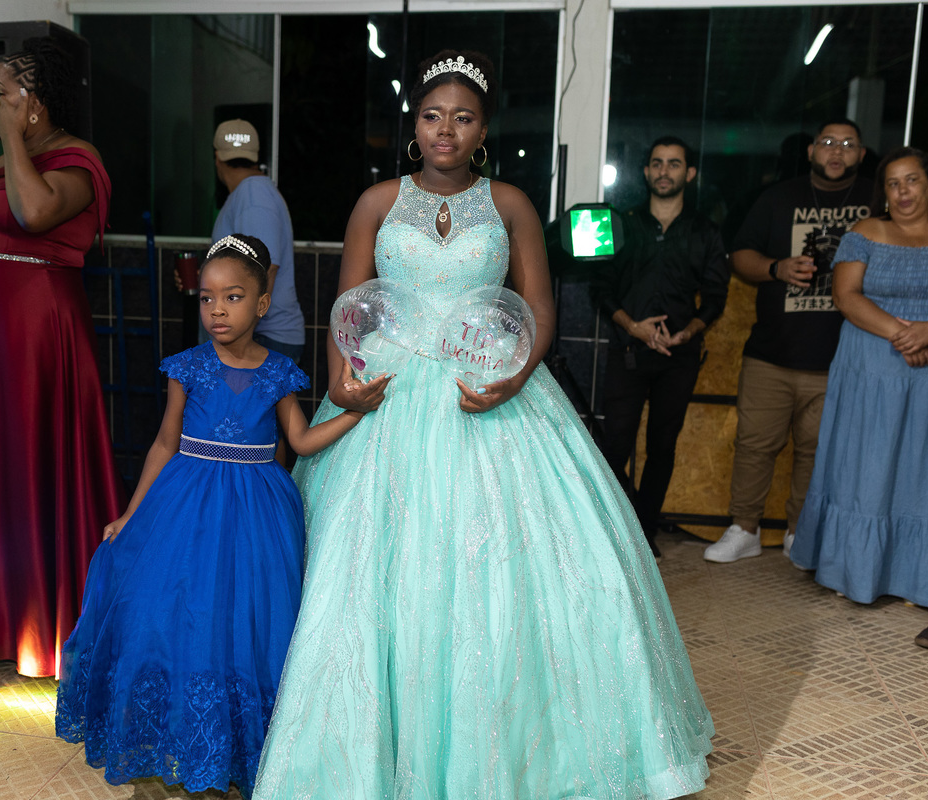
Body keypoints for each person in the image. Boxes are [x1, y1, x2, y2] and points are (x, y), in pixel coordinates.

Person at [251, 50, 712, 799]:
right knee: (367, 573)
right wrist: (342, 378)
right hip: (389, 389)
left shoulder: (511, 204)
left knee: (516, 568)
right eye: (432, 116)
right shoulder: (375, 202)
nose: (446, 130)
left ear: (484, 130)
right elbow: (348, 307)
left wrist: (515, 378)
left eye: (462, 118)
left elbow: (540, 309)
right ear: (415, 126)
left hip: (487, 381)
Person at [54, 234, 373, 797]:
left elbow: (300, 441)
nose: (217, 310)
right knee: (180, 613)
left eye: (232, 297)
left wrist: (355, 413)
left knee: (247, 620)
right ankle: (182, 739)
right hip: (186, 506)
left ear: (262, 303)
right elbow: (164, 444)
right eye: (206, 298)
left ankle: (240, 749)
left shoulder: (278, 372)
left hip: (258, 514)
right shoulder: (188, 367)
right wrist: (131, 514)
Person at [0, 38, 123, 678]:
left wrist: (10, 135)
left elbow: (33, 211)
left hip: (38, 338)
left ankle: (53, 632)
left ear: (36, 102)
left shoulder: (78, 161)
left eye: (1, 92)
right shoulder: (1, 164)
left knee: (39, 466)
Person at [705, 119, 873, 563]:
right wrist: (776, 268)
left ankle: (802, 532)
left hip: (841, 358)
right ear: (812, 151)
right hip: (772, 354)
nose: (837, 151)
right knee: (754, 446)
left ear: (861, 154)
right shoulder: (779, 197)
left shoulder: (877, 201)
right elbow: (740, 254)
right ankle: (744, 529)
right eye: (828, 142)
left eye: (848, 144)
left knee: (816, 451)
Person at [788, 147, 928, 609]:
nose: (903, 191)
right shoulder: (865, 232)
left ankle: (915, 576)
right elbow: (846, 296)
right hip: (870, 368)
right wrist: (904, 335)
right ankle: (853, 568)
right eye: (893, 183)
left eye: (912, 180)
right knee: (866, 470)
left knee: (924, 473)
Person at [597, 136, 729, 559]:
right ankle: (613, 530)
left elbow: (716, 297)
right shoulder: (620, 224)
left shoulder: (705, 232)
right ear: (646, 171)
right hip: (628, 350)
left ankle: (644, 533)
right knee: (615, 446)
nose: (664, 171)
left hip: (678, 356)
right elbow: (601, 290)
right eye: (657, 163)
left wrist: (688, 332)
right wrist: (634, 327)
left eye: (674, 164)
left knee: (662, 448)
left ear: (689, 173)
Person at [209, 119, 305, 362]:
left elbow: (265, 269)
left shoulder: (254, 195)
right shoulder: (249, 193)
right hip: (257, 336)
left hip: (263, 337)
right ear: (255, 155)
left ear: (217, 157)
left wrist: (241, 340)